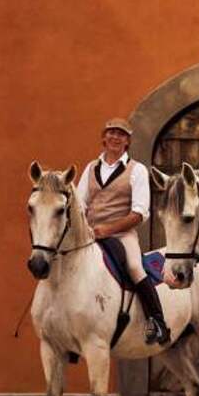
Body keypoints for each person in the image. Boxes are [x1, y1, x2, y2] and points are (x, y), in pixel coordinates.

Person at [77, 117, 171, 346]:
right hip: (90, 233)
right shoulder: (91, 168)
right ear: (104, 137)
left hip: (122, 234)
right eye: (111, 132)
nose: (115, 137)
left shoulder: (137, 170)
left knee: (135, 267)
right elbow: (79, 204)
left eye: (121, 134)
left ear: (127, 141)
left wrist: (107, 229)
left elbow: (139, 213)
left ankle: (157, 321)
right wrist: (85, 228)